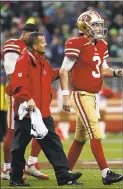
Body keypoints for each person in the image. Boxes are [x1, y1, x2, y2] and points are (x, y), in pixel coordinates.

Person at [7, 32, 82, 187]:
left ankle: (64, 176)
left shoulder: (42, 62)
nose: (45, 44)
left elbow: (49, 75)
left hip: (43, 113)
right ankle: (15, 178)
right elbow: (18, 85)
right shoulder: (24, 60)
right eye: (42, 42)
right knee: (19, 148)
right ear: (34, 46)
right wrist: (28, 99)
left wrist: (64, 70)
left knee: (54, 144)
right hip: (27, 114)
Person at [59, 11, 123, 185]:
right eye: (95, 24)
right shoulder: (76, 43)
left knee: (81, 137)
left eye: (99, 24)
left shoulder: (101, 44)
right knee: (95, 130)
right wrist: (65, 96)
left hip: (94, 95)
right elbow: (64, 71)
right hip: (81, 94)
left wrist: (118, 72)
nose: (99, 28)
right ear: (84, 26)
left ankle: (65, 175)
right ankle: (105, 173)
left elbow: (104, 69)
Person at [1, 23, 48, 180]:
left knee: (42, 129)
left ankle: (31, 164)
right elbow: (9, 67)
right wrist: (17, 91)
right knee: (13, 132)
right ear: (25, 33)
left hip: (33, 95)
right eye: (33, 35)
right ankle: (7, 169)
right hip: (19, 93)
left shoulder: (33, 49)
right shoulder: (14, 44)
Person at [0, 67, 8, 143]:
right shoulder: (6, 75)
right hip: (4, 104)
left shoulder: (6, 75)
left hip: (4, 104)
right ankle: (2, 136)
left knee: (3, 120)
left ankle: (2, 136)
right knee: (3, 120)